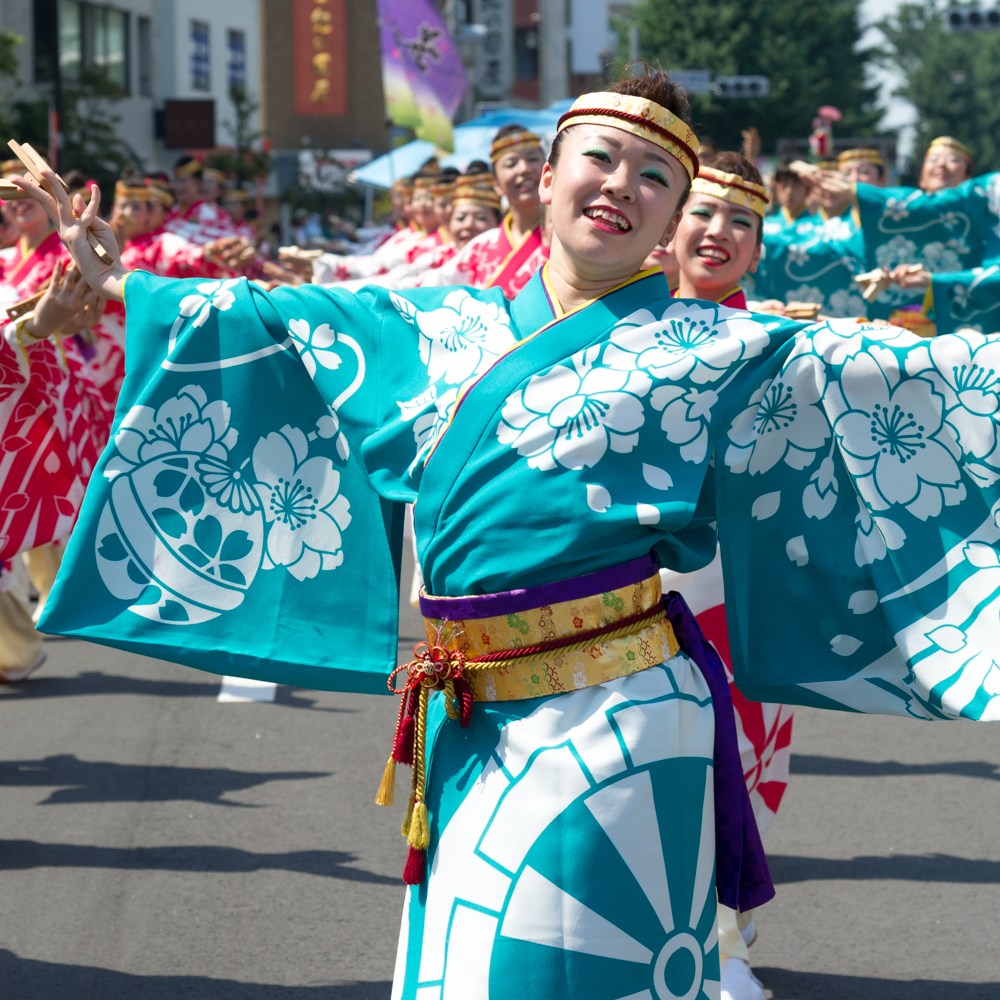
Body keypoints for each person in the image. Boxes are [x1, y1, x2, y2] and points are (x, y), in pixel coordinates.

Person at [19, 67, 1000, 1000]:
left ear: (669, 215)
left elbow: (915, 377)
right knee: (467, 969)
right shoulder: (441, 324)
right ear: (554, 171)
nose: (622, 186)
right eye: (602, 159)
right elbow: (278, 322)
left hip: (618, 716)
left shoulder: (718, 352)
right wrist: (116, 290)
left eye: (653, 176)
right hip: (471, 718)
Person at [665, 152, 794, 1000]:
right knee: (646, 755)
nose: (718, 233)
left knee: (733, 753)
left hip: (739, 589)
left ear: (755, 251)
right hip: (630, 582)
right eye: (704, 212)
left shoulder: (781, 344)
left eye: (741, 222)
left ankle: (725, 940)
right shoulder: (605, 327)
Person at [421, 124, 547, 296]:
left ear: (548, 170)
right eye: (511, 163)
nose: (524, 169)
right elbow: (430, 290)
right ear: (496, 184)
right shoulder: (479, 248)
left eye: (532, 159)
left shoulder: (566, 240)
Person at [762, 159, 815, 237]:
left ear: (808, 188)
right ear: (775, 186)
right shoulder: (765, 226)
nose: (789, 191)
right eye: (784, 184)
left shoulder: (817, 227)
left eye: (796, 184)